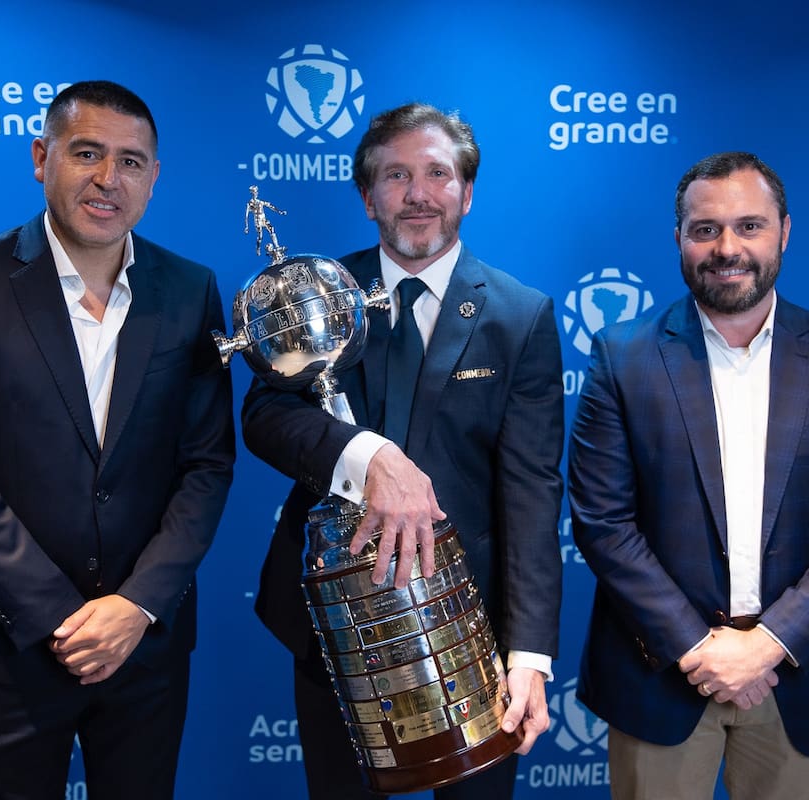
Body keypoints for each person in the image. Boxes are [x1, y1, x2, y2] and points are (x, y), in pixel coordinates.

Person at [0, 80, 235, 799]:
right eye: (87, 153)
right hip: (8, 643)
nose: (108, 178)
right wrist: (63, 619)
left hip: (144, 645)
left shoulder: (191, 290)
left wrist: (137, 606)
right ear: (42, 157)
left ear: (153, 177)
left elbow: (207, 466)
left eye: (131, 161)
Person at [242, 103, 564, 800]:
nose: (418, 194)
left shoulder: (521, 316)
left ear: (467, 192)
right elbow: (265, 415)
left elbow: (532, 495)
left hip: (472, 627)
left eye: (437, 174)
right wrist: (365, 456)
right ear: (368, 198)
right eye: (395, 176)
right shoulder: (316, 294)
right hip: (334, 618)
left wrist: (530, 653)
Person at [568, 151, 809, 799]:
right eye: (706, 229)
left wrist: (769, 644)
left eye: (749, 226)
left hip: (799, 675)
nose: (728, 248)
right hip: (662, 673)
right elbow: (603, 523)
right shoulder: (622, 356)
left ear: (784, 231)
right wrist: (700, 649)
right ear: (679, 238)